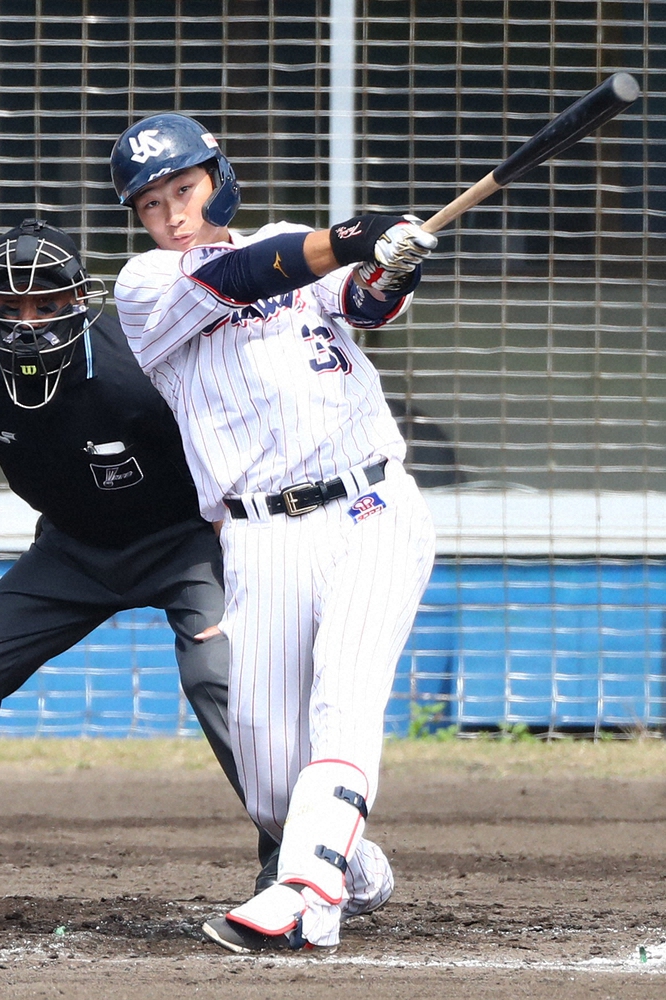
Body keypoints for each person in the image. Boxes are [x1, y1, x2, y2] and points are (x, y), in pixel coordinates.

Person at [109, 113, 438, 954]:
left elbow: (361, 305)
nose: (174, 213)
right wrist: (355, 234)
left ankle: (304, 900)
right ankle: (352, 866)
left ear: (219, 178)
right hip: (260, 535)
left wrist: (388, 269)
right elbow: (248, 273)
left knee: (343, 699)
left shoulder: (297, 244)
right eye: (153, 204)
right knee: (264, 770)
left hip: (369, 506)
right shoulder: (146, 286)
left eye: (185, 189)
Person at [0, 217, 277, 869]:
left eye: (46, 304)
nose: (27, 323)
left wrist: (247, 568)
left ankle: (297, 858)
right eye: (9, 307)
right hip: (70, 551)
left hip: (186, 541)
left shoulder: (138, 363)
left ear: (78, 300)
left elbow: (236, 451)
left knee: (221, 676)